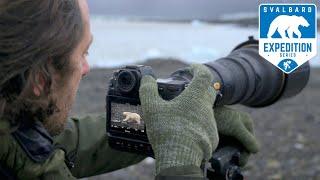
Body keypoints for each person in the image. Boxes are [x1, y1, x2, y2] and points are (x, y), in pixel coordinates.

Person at [0, 0, 259, 179]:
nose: (86, 68)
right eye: (83, 53)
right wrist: (179, 165)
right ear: (40, 79)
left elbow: (68, 142)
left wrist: (166, 124)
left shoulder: (12, 126)